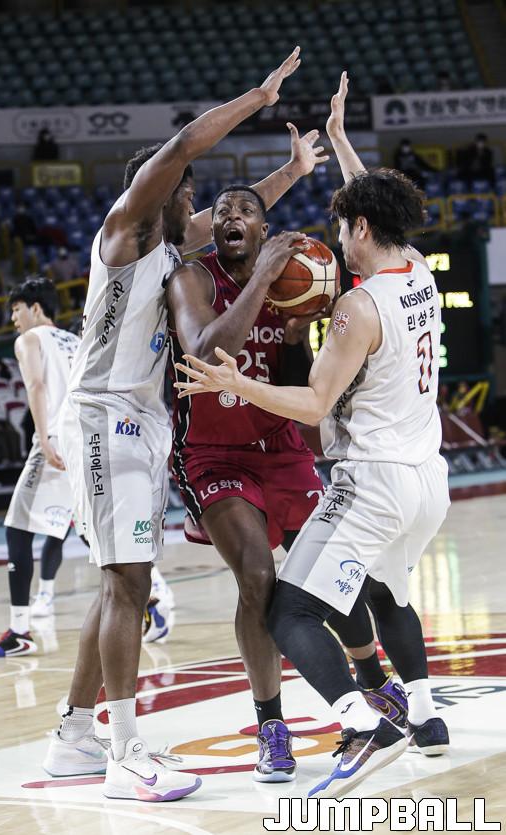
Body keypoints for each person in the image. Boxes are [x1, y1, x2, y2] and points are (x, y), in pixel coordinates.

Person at [44, 47, 328, 803]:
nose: (202, 210)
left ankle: (75, 734)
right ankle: (124, 754)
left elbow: (240, 216)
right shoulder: (126, 228)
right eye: (191, 196)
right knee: (128, 583)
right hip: (105, 417)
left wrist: (292, 173)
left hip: (141, 423)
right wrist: (257, 97)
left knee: (119, 582)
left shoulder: (168, 244)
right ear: (162, 189)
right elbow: (179, 148)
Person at [174, 71, 451, 799]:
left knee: (290, 608)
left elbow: (315, 401)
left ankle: (362, 721)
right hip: (429, 479)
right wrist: (338, 141)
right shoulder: (419, 271)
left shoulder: (359, 307)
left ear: (359, 232)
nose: (340, 238)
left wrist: (235, 383)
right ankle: (424, 711)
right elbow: (372, 208)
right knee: (382, 588)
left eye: (346, 227)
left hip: (373, 477)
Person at [167, 179, 330, 781]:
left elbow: (296, 382)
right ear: (214, 228)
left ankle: (376, 687)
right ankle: (271, 726)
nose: (232, 215)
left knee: (333, 568)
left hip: (280, 447)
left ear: (263, 228)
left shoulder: (290, 286)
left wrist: (295, 337)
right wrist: (262, 278)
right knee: (258, 577)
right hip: (214, 453)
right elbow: (206, 352)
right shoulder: (192, 277)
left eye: (246, 210)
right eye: (222, 210)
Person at [0, 278, 80, 658]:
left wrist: (44, 438)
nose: (13, 319)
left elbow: (36, 385)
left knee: (16, 528)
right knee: (87, 531)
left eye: (16, 309)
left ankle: (19, 630)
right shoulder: (76, 341)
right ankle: (150, 599)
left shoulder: (30, 339)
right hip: (86, 443)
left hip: (55, 441)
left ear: (35, 308)